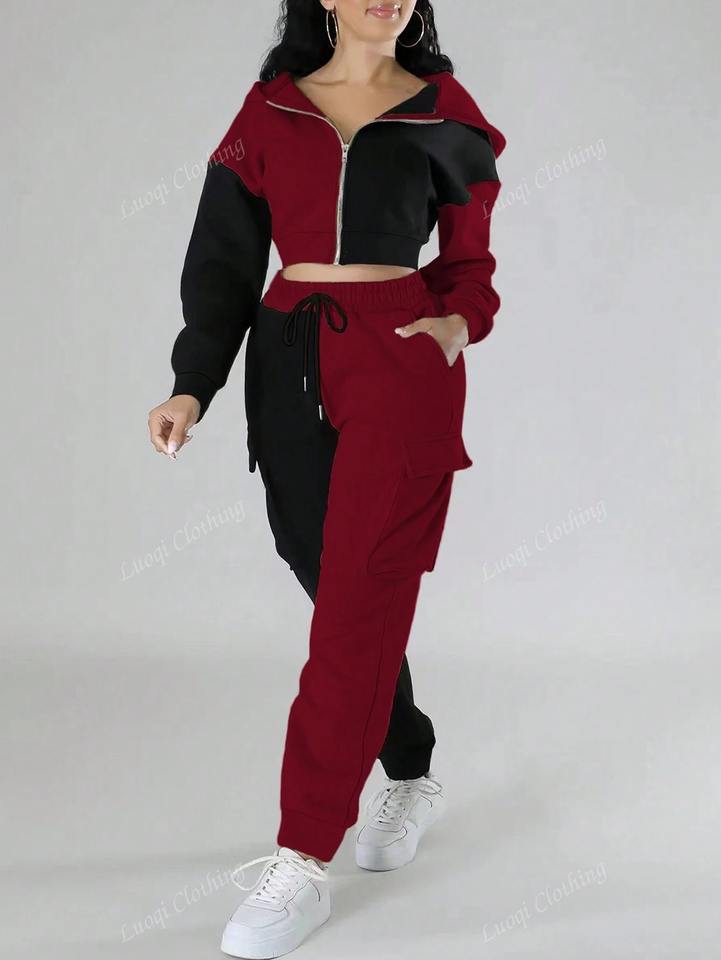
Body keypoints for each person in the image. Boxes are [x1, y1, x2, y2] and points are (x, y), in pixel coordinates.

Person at [147, 1, 505, 955]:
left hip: (399, 358)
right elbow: (223, 259)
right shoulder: (268, 111)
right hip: (286, 357)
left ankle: (302, 860)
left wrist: (453, 325)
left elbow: (471, 264)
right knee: (328, 579)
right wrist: (191, 384)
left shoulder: (444, 111)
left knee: (355, 605)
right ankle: (410, 764)